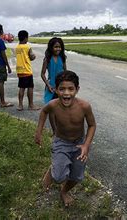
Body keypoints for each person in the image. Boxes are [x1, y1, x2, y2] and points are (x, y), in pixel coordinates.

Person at [34, 70, 97, 207]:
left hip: (80, 144)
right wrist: (39, 131)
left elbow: (92, 125)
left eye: (70, 89)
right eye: (62, 89)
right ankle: (52, 171)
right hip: (61, 142)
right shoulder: (53, 105)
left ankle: (64, 192)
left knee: (77, 176)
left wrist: (86, 145)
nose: (66, 93)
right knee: (58, 177)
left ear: (77, 89)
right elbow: (44, 111)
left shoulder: (84, 106)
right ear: (56, 90)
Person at [15, 30, 40, 111]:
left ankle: (20, 105)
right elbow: (32, 57)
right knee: (30, 87)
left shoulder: (17, 47)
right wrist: (34, 56)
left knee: (21, 87)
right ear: (26, 38)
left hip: (19, 70)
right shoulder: (27, 47)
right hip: (27, 70)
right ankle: (31, 105)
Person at [41, 37, 67, 104]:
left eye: (59, 47)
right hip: (51, 86)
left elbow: (65, 71)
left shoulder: (62, 58)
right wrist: (48, 85)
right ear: (51, 47)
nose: (58, 49)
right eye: (56, 47)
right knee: (49, 104)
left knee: (61, 105)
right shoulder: (47, 59)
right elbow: (42, 74)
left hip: (61, 85)